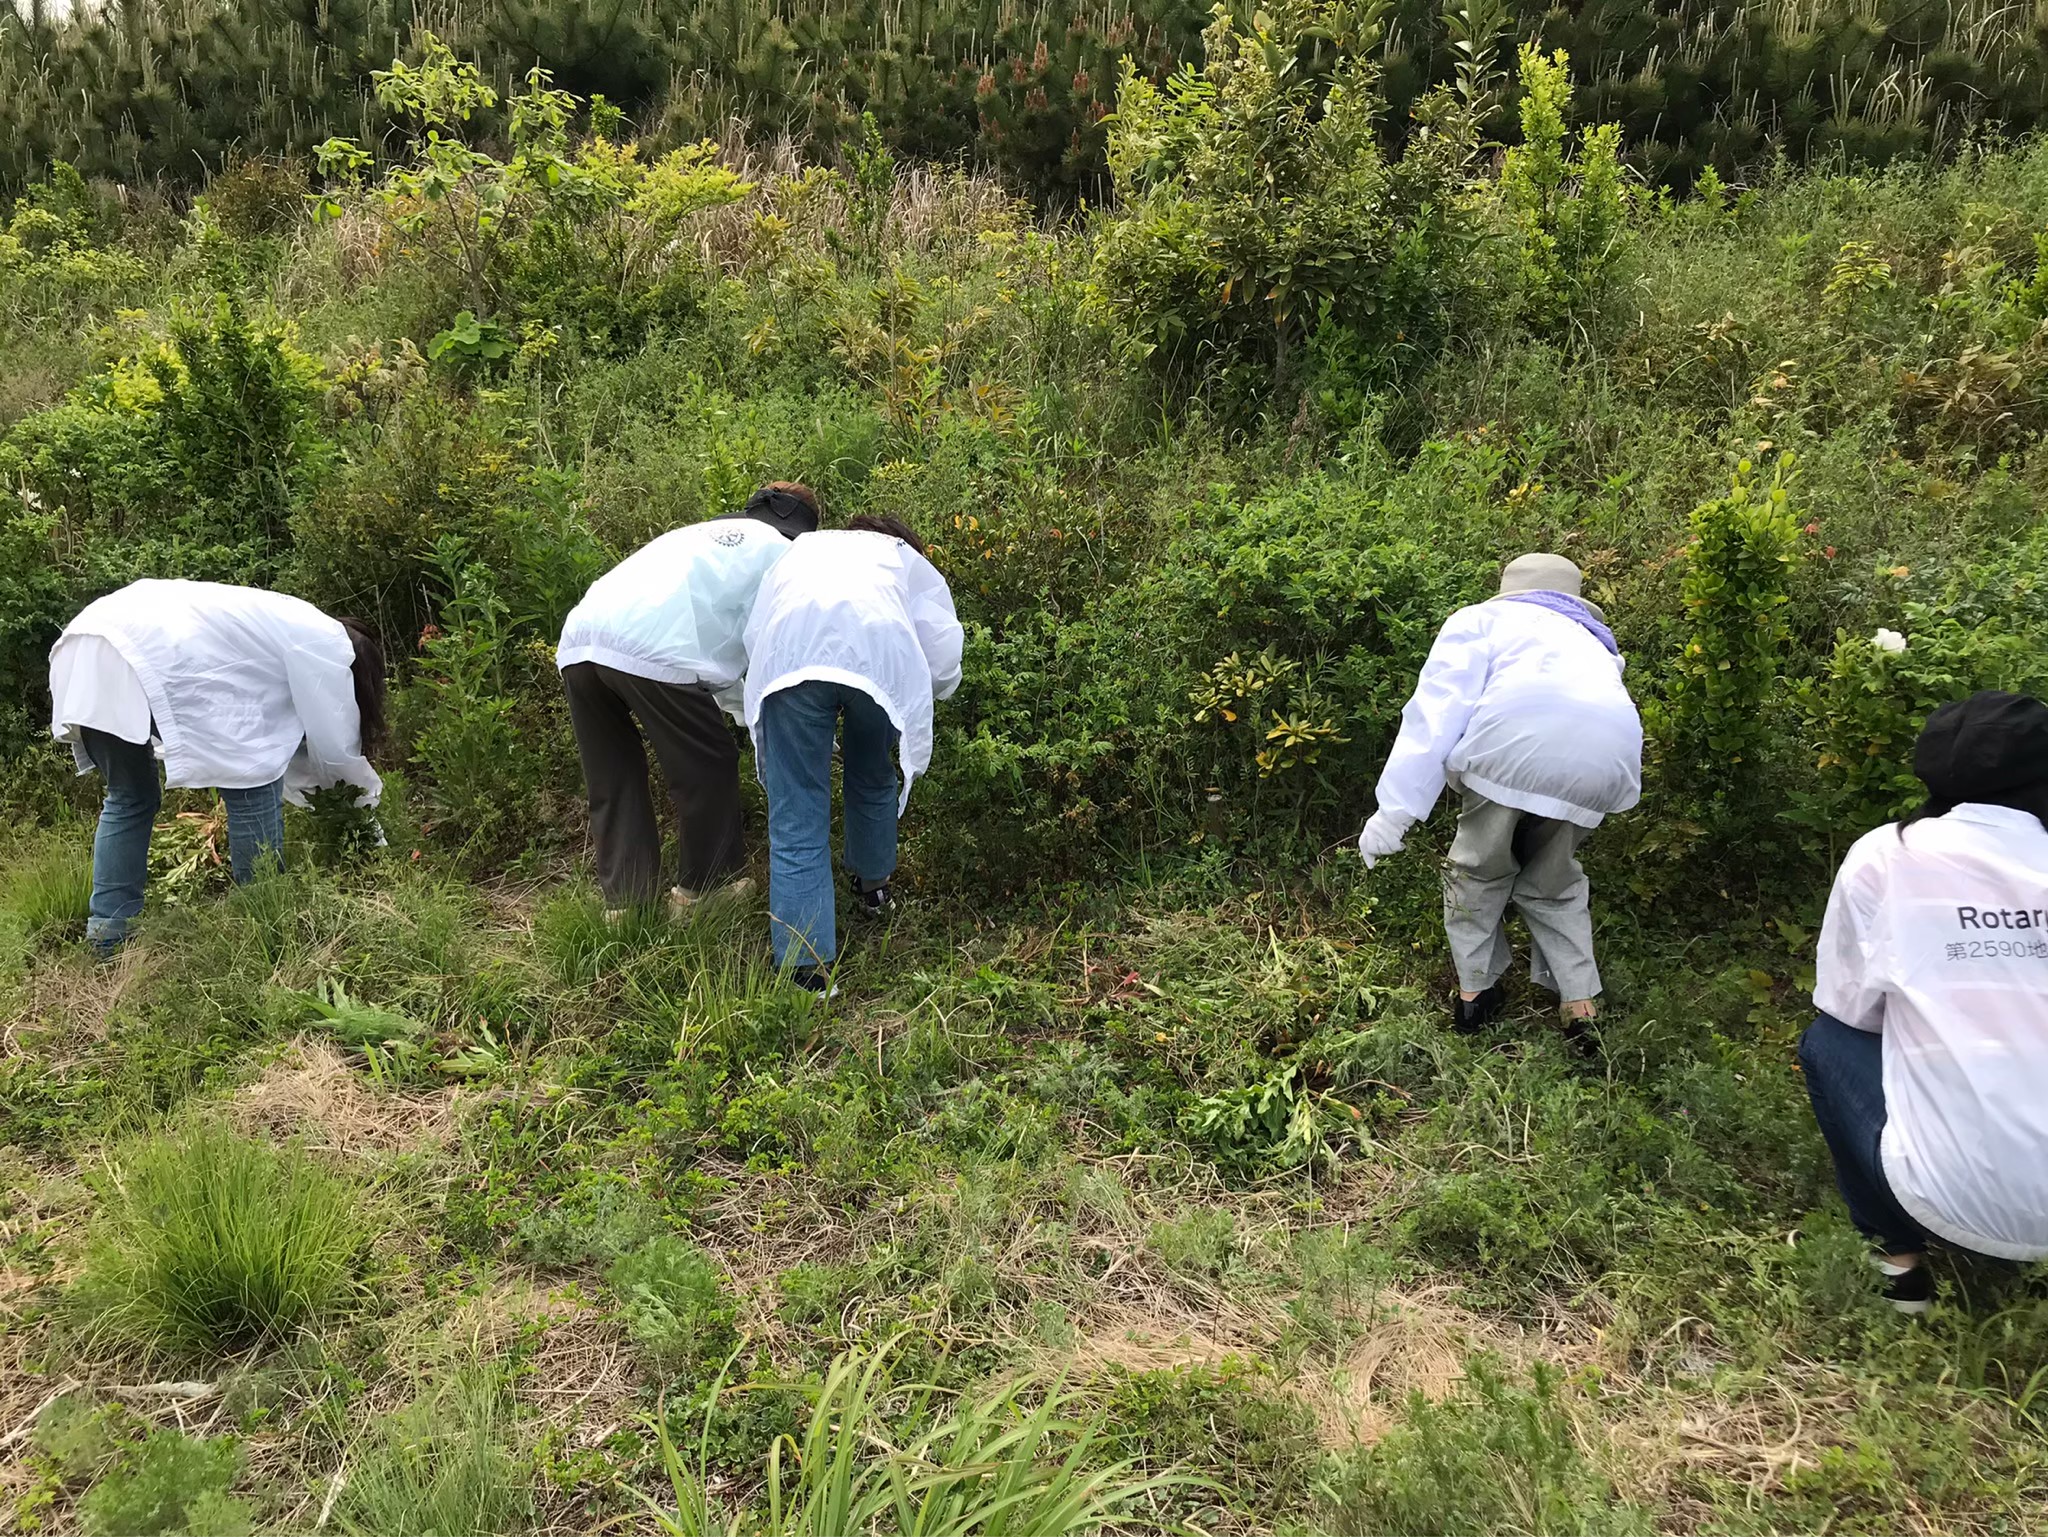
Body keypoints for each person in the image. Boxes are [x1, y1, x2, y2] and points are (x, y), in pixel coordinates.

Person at [1801, 690, 2048, 1313]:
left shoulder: (1889, 854)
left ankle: (1899, 1264)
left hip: (1948, 1190)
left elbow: (1851, 1008)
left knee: (1828, 1041)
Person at [1357, 553, 1642, 1036]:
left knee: (1476, 871)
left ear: (1509, 588)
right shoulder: (1596, 642)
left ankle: (1475, 997)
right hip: (1603, 767)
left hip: (1510, 750)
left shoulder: (1482, 618)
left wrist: (1394, 813)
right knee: (1556, 881)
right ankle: (1580, 1007)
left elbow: (1437, 711)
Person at [48, 578, 386, 953]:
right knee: (253, 785)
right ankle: (264, 926)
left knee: (130, 798)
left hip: (85, 645)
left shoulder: (282, 617)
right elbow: (336, 748)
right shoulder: (325, 643)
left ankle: (107, 940)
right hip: (143, 649)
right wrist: (363, 815)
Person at [556, 482, 821, 914]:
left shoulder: (697, 535)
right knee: (709, 761)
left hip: (580, 641)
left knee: (613, 776)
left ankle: (627, 906)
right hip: (655, 649)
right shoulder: (785, 556)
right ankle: (706, 890)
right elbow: (766, 650)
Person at [742, 514, 962, 996]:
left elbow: (757, 630)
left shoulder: (800, 550)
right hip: (879, 658)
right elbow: (942, 650)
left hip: (791, 660)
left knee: (797, 810)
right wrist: (929, 691)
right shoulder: (901, 557)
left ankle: (806, 972)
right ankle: (874, 889)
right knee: (871, 772)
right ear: (900, 538)